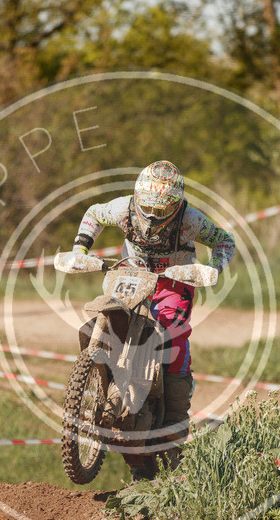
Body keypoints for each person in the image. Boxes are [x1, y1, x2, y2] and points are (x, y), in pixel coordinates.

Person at [71, 160, 236, 479]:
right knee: (101, 317)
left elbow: (224, 241)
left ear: (175, 207)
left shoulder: (191, 219)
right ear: (137, 200)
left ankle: (175, 419)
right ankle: (99, 376)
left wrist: (214, 267)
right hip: (130, 274)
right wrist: (81, 247)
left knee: (172, 334)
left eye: (160, 211)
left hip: (173, 280)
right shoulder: (121, 209)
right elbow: (93, 212)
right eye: (146, 208)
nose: (152, 217)